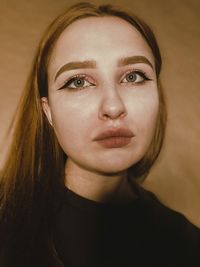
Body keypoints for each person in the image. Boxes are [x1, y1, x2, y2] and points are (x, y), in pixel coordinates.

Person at [0, 2, 199, 267]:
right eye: (78, 81)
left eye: (134, 77)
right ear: (47, 111)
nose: (113, 107)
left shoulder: (187, 246)